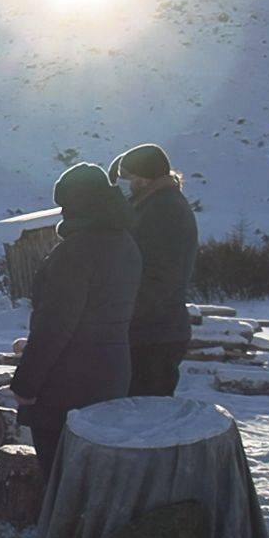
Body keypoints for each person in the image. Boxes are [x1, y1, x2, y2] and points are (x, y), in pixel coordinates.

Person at [10, 163, 142, 471]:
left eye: (66, 205)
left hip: (68, 384)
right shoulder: (126, 244)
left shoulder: (76, 252)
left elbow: (54, 327)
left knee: (63, 477)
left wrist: (26, 384)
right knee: (98, 472)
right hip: (113, 375)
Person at [112, 143, 199, 397]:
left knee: (145, 417)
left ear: (144, 178)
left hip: (153, 334)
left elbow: (158, 277)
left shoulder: (163, 210)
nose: (128, 185)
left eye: (131, 178)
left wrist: (125, 313)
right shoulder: (155, 204)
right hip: (152, 331)